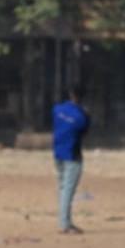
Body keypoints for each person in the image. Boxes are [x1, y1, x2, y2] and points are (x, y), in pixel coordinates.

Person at [51, 85, 90, 234]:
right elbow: (84, 131)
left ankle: (64, 221)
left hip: (58, 153)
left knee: (62, 188)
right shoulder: (81, 115)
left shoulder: (57, 109)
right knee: (68, 190)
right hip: (72, 156)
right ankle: (65, 224)